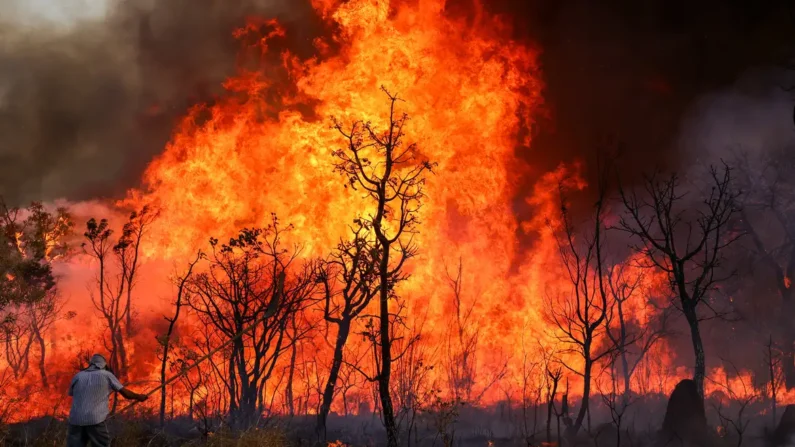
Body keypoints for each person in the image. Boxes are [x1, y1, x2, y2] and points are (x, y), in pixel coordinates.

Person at [66, 353, 148, 447]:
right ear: (103, 365)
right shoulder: (106, 375)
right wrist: (139, 397)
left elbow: (72, 394)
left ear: (90, 364)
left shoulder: (78, 376)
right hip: (95, 420)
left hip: (75, 419)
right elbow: (126, 394)